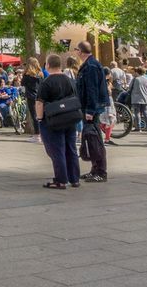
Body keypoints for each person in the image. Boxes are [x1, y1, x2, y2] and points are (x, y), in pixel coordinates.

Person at [37, 52, 81, 189]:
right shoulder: (70, 81)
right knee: (71, 148)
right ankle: (74, 179)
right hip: (70, 118)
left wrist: (39, 118)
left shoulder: (46, 82)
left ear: (48, 65)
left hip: (53, 121)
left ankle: (61, 180)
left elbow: (39, 103)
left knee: (57, 150)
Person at [75, 42, 109, 182]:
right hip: (90, 107)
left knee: (94, 139)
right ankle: (95, 169)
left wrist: (90, 110)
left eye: (77, 49)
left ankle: (101, 171)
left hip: (91, 108)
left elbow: (92, 89)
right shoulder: (90, 64)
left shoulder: (91, 66)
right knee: (91, 138)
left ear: (81, 51)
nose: (75, 52)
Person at [21, 57, 42, 142]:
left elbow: (22, 83)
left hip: (31, 97)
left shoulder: (27, 75)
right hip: (40, 97)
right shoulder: (40, 74)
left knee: (34, 116)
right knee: (40, 116)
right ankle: (42, 134)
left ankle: (37, 135)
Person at [129, 67, 147, 132]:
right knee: (146, 113)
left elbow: (130, 87)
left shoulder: (135, 79)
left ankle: (138, 128)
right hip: (145, 98)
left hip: (136, 99)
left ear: (137, 72)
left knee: (137, 113)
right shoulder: (146, 79)